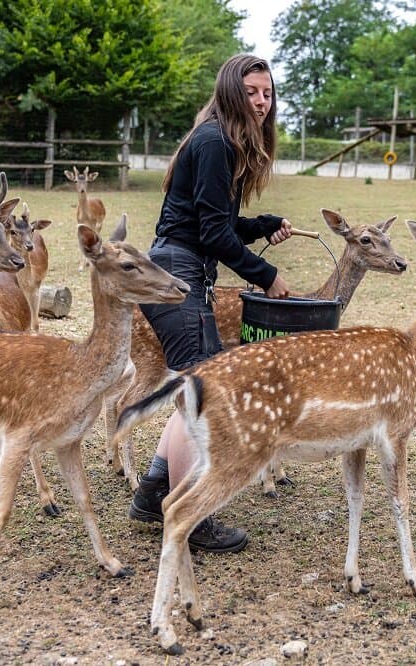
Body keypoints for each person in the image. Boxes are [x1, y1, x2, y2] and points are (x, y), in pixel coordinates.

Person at [128, 54, 293, 554]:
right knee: (197, 395)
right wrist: (267, 276)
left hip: (180, 266)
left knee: (190, 389)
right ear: (229, 91)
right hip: (178, 271)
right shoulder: (216, 140)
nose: (261, 102)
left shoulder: (219, 139)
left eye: (267, 93)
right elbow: (211, 233)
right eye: (252, 91)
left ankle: (154, 491)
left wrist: (260, 224)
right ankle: (191, 515)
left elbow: (214, 221)